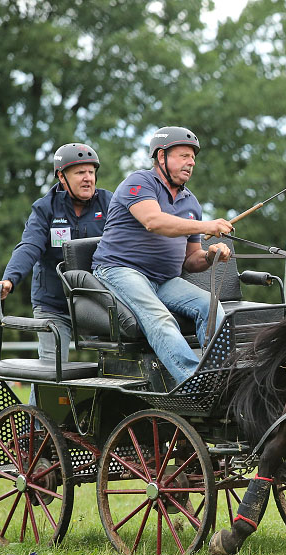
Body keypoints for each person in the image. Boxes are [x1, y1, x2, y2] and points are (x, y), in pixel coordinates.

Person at [91, 126, 233, 386]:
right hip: (120, 270)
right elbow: (153, 222)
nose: (191, 162)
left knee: (210, 306)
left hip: (164, 279)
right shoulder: (139, 182)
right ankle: (193, 384)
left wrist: (211, 255)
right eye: (183, 156)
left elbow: (191, 260)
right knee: (160, 318)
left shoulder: (191, 203)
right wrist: (207, 226)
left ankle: (222, 379)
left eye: (193, 158)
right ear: (161, 157)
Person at [0, 143, 111, 362]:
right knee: (50, 369)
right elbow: (29, 246)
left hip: (95, 301)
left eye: (91, 172)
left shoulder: (109, 203)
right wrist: (9, 279)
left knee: (115, 363)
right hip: (53, 304)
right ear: (62, 177)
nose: (88, 178)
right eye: (80, 172)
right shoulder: (45, 208)